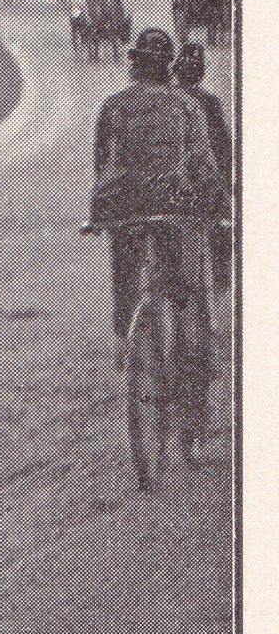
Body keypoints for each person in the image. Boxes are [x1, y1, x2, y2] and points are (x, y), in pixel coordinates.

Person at [92, 29, 222, 424]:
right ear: (167, 67)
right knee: (188, 296)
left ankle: (125, 339)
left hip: (124, 206)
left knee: (126, 274)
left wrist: (101, 211)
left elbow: (101, 165)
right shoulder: (185, 107)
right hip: (173, 206)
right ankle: (193, 392)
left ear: (134, 65)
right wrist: (214, 207)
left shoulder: (112, 106)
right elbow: (202, 162)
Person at [175, 41, 233, 302]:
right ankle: (222, 288)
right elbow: (223, 147)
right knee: (223, 226)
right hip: (199, 185)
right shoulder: (208, 102)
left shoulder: (169, 99)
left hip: (172, 187)